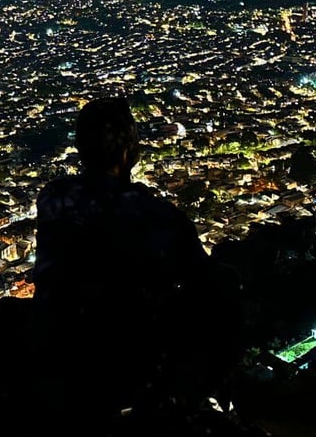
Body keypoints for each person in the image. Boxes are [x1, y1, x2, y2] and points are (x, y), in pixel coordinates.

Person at [32, 95, 244, 433]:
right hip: (123, 360)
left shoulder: (53, 196)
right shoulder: (155, 215)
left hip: (54, 347)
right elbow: (203, 277)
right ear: (130, 152)